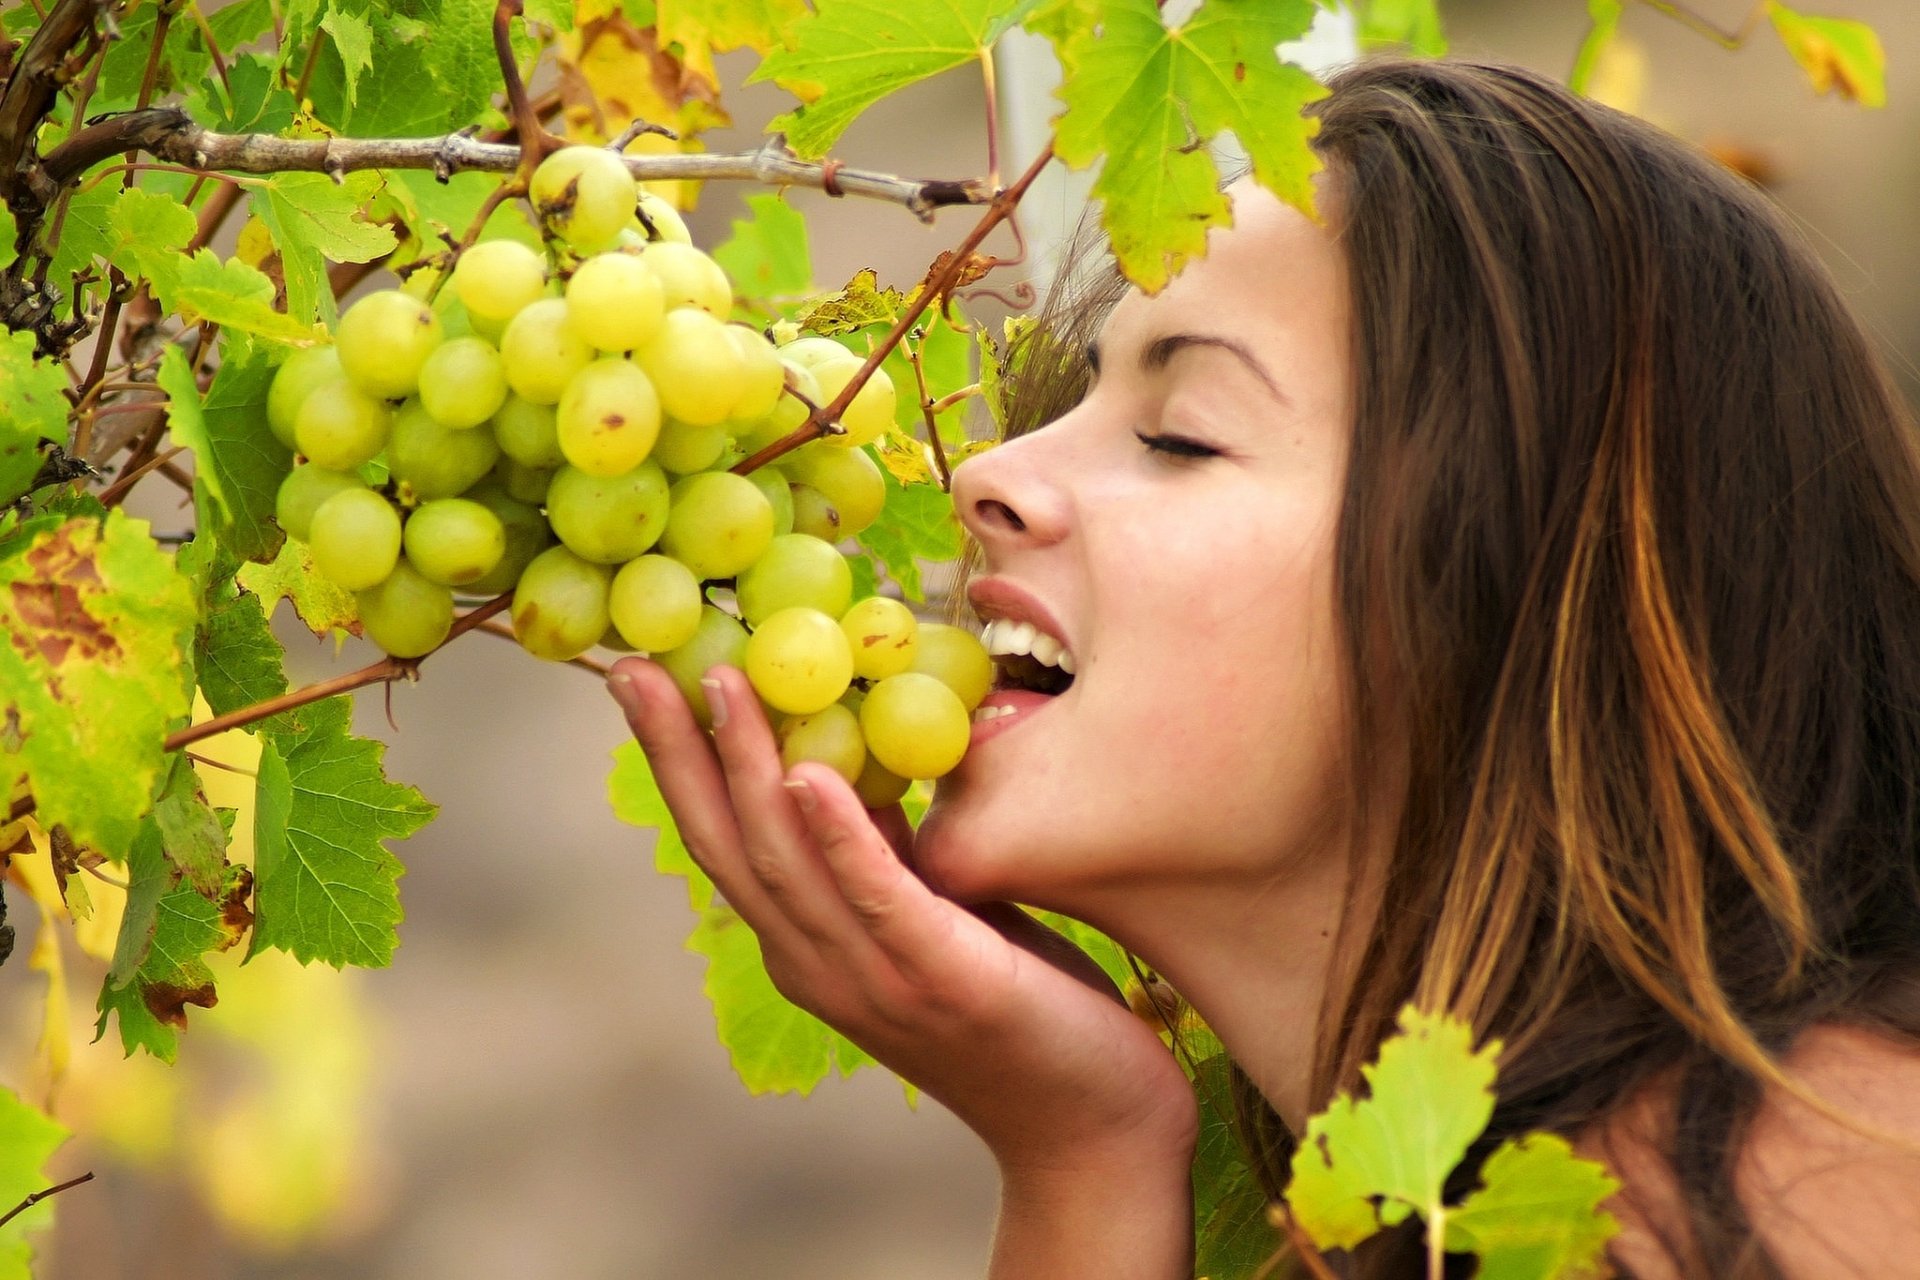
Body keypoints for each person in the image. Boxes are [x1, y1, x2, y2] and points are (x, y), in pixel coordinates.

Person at [605, 57, 1920, 1278]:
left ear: (1499, 581)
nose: (989, 476)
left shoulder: (1794, 1199)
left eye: (1179, 437)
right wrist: (1083, 1156)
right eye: (1072, 406)